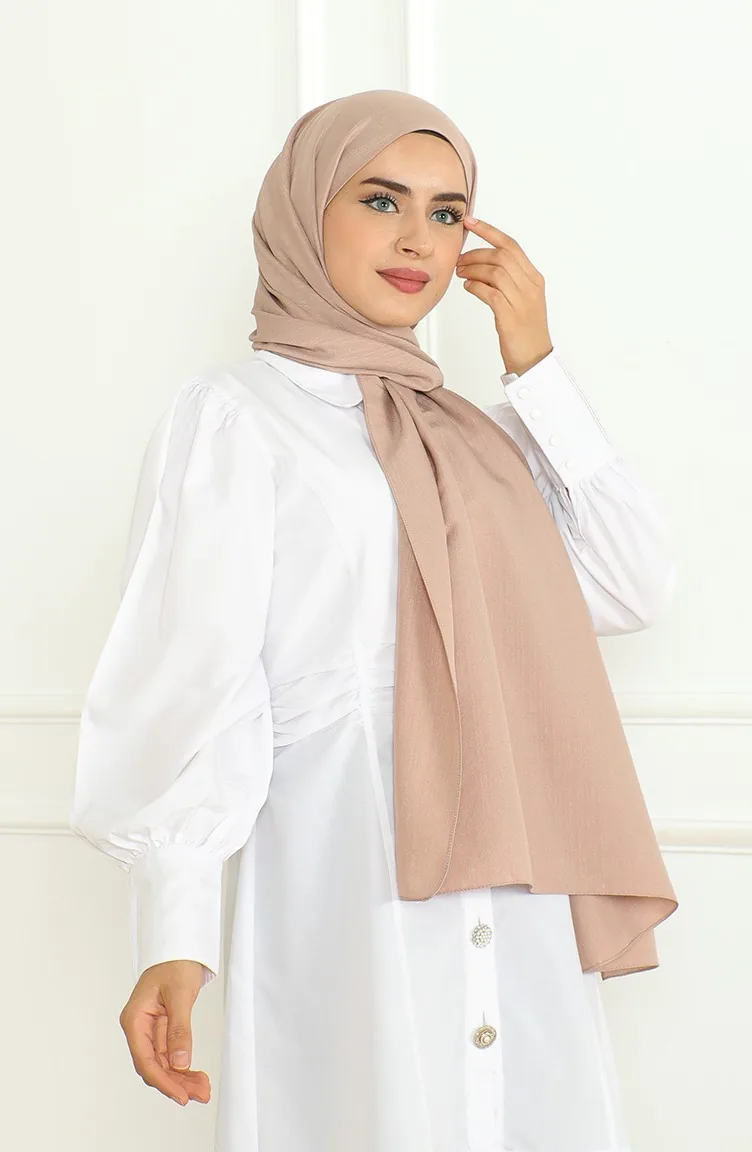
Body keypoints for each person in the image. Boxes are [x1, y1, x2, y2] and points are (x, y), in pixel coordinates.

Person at [70, 89, 679, 1152]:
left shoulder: (485, 442)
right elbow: (197, 682)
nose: (417, 240)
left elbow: (633, 584)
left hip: (517, 892)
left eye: (447, 213)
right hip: (344, 877)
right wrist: (174, 931)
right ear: (306, 210)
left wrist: (536, 367)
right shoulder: (237, 418)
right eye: (381, 199)